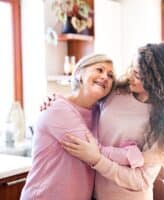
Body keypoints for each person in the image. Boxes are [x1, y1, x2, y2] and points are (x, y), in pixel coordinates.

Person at [61, 42, 164, 200]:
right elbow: (84, 103)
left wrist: (97, 159)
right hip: (94, 195)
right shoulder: (116, 92)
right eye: (132, 68)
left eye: (138, 75)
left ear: (157, 82)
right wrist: (59, 101)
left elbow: (141, 180)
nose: (130, 77)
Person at [20, 54, 144, 200]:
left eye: (110, 75)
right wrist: (134, 155)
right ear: (79, 73)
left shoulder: (99, 112)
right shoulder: (58, 108)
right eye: (99, 70)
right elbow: (92, 151)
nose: (105, 77)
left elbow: (97, 152)